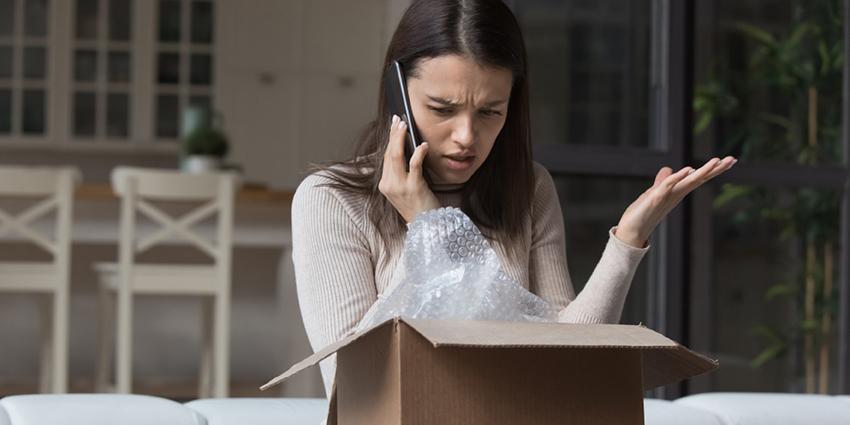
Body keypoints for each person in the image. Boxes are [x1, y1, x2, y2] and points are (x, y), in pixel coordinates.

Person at [291, 0, 736, 398]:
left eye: (490, 112)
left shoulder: (529, 189)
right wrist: (428, 225)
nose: (467, 137)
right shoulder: (331, 201)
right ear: (397, 95)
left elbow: (567, 354)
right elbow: (355, 381)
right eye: (442, 109)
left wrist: (628, 241)